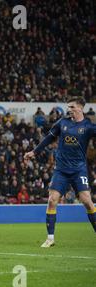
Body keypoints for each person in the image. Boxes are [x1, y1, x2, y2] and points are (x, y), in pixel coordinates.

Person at [24, 96, 96, 247]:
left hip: (79, 170)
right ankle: (50, 238)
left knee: (88, 203)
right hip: (61, 170)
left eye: (72, 107)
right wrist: (34, 152)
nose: (69, 109)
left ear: (80, 108)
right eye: (68, 107)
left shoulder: (88, 126)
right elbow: (48, 138)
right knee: (52, 200)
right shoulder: (62, 122)